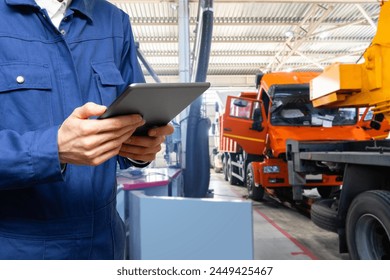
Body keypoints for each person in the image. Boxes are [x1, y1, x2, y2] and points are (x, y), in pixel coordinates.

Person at [0, 0, 174, 259]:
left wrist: (140, 149)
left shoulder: (115, 22)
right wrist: (53, 149)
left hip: (103, 246)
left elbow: (135, 114)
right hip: (18, 250)